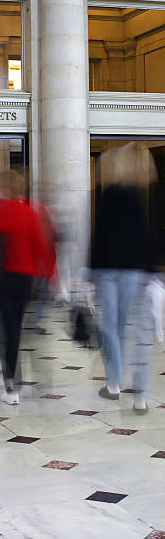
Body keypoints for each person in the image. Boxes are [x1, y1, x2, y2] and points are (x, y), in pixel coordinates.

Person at [0, 170, 56, 405]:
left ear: (1, 187)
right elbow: (41, 247)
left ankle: (10, 382)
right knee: (15, 329)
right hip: (24, 279)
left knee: (3, 330)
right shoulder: (30, 212)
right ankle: (13, 379)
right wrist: (52, 277)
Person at [92, 142, 159, 414]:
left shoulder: (111, 193)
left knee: (112, 327)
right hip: (137, 271)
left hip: (109, 270)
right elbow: (150, 236)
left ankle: (114, 383)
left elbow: (102, 235)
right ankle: (141, 397)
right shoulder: (147, 194)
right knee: (139, 334)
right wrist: (153, 271)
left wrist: (90, 270)